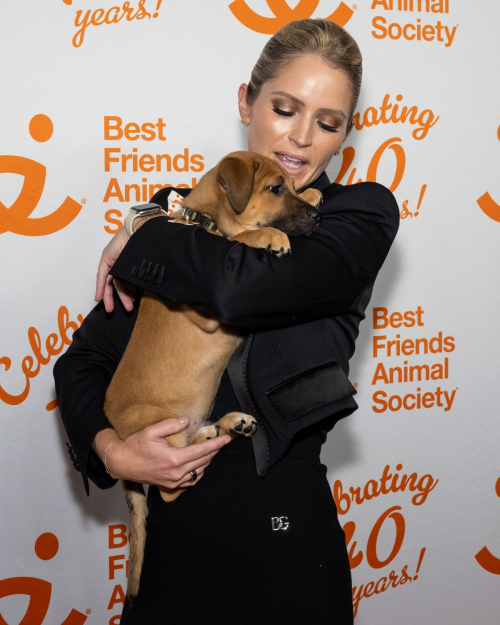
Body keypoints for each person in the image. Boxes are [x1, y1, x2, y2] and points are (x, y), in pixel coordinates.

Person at [54, 18, 399, 625]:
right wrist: (113, 452)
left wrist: (146, 228)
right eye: (285, 108)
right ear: (247, 101)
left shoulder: (353, 218)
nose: (299, 139)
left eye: (327, 122)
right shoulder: (184, 222)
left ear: (346, 135)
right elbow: (82, 361)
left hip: (282, 544)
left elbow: (238, 290)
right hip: (172, 546)